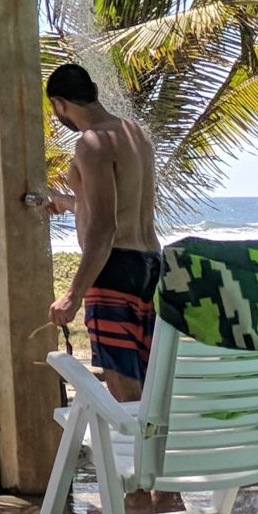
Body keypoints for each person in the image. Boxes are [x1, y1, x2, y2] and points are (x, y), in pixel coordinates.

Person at [42, 62, 160, 403]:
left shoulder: (91, 143)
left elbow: (105, 225)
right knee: (150, 382)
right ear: (93, 90)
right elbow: (122, 205)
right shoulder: (134, 133)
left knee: (125, 391)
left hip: (114, 271)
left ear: (59, 104)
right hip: (150, 264)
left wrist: (73, 294)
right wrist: (68, 202)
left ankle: (130, 442)